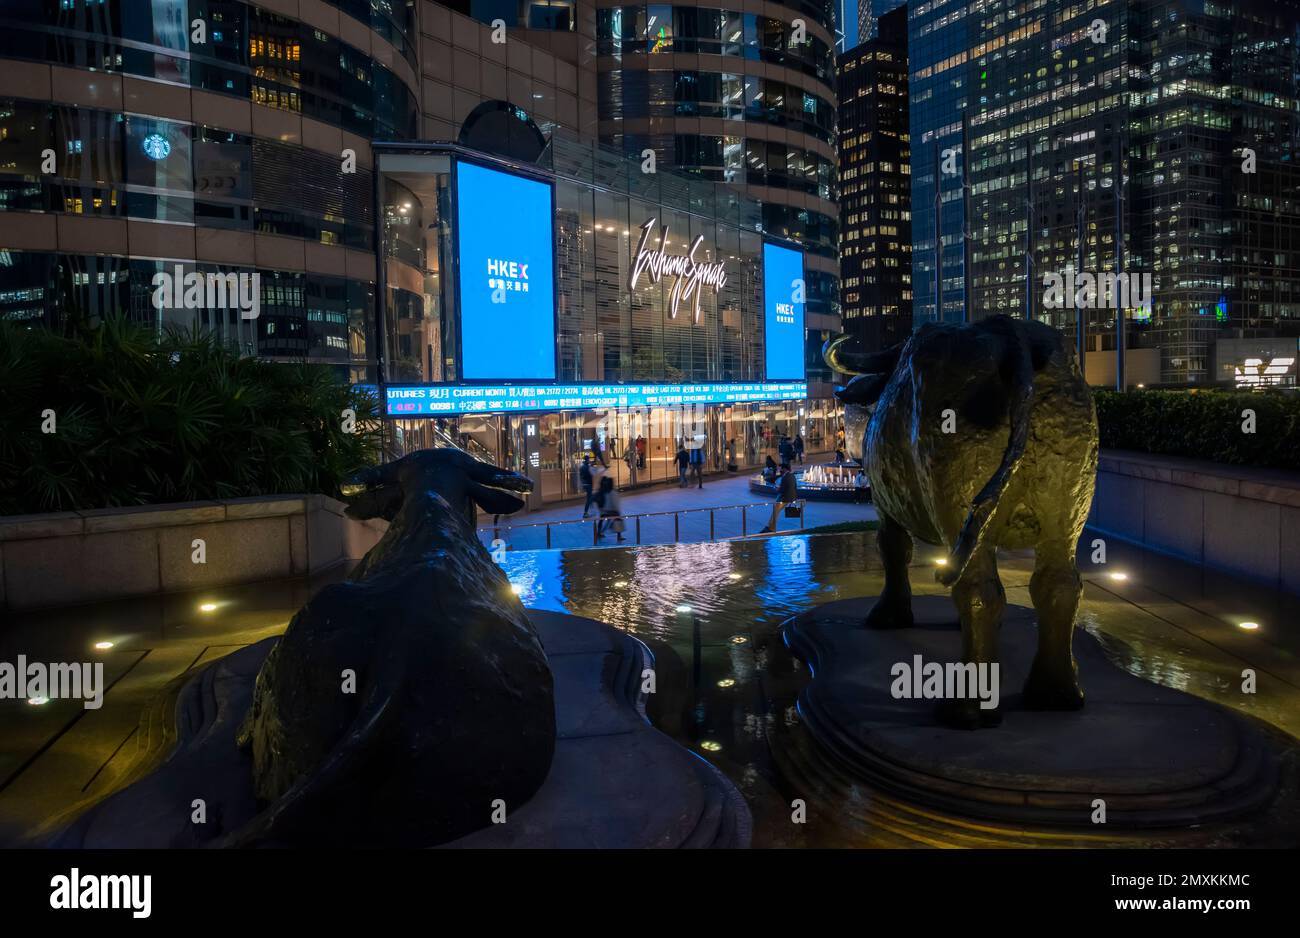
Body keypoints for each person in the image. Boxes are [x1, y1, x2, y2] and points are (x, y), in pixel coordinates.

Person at [760, 464, 800, 534]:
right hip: (790, 497)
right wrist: (794, 498)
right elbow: (795, 487)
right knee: (775, 511)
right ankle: (770, 526)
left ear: (785, 469)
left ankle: (771, 528)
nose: (780, 470)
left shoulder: (785, 477)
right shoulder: (792, 476)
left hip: (784, 498)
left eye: (781, 468)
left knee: (776, 511)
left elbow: (782, 490)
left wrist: (777, 488)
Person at [595, 476, 625, 542]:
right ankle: (619, 535)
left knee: (603, 520)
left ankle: (599, 532)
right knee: (618, 519)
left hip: (604, 510)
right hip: (609, 510)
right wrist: (617, 510)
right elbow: (614, 503)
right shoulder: (611, 492)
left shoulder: (603, 490)